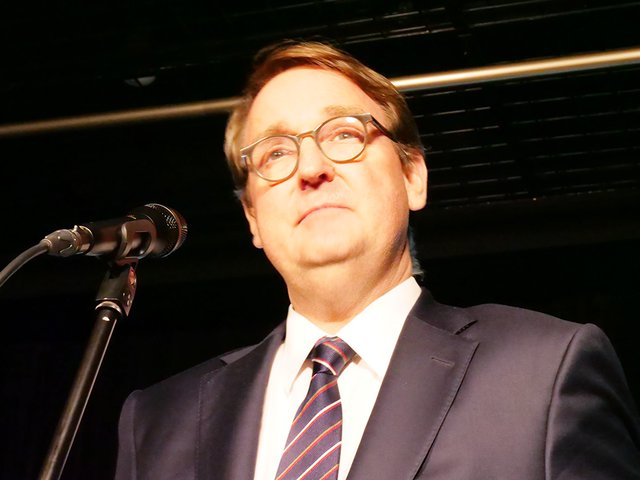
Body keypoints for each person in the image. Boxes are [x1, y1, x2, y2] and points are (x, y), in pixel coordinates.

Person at [115, 41, 640, 479]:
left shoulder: (543, 372)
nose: (311, 168)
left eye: (344, 133)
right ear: (252, 217)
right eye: (276, 152)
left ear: (413, 177)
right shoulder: (159, 422)